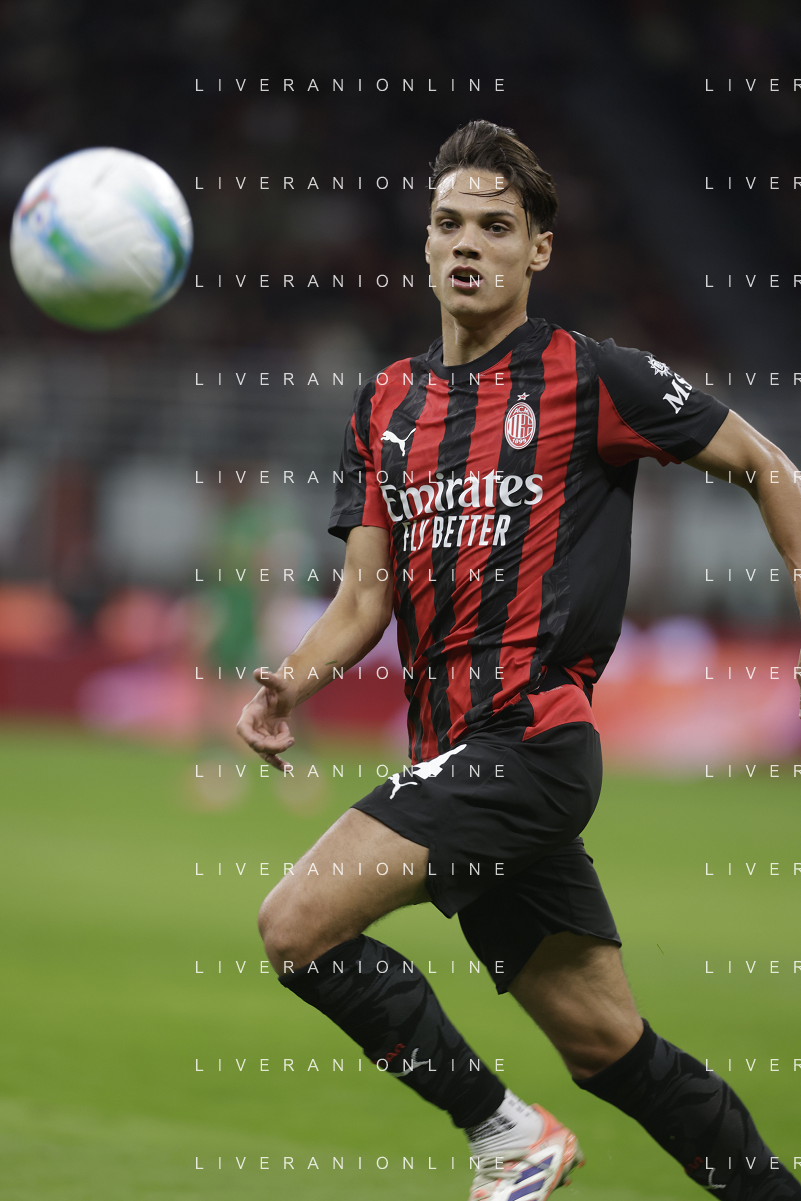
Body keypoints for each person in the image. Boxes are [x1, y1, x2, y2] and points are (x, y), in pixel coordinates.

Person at [237, 120, 801, 1199]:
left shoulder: (593, 376)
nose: (467, 243)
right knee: (610, 1050)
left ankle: (506, 1135)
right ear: (425, 243)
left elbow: (766, 464)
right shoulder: (386, 403)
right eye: (448, 223)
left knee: (295, 928)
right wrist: (291, 682)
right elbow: (364, 596)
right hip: (458, 760)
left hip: (532, 744)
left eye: (495, 227)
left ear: (537, 250)